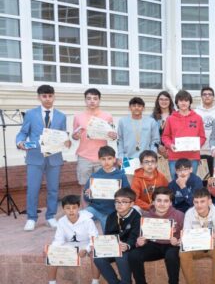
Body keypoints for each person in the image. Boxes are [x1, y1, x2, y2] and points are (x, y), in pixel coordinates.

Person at [16, 84, 70, 231]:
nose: (47, 99)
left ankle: (50, 216)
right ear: (39, 97)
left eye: (50, 96)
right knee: (33, 188)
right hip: (34, 157)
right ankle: (31, 218)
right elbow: (23, 133)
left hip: (54, 158)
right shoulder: (31, 114)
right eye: (44, 96)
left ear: (54, 96)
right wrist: (20, 142)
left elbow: (63, 135)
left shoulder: (61, 116)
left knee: (53, 189)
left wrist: (67, 141)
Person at [128, 186, 184, 284]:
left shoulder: (179, 215)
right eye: (159, 200)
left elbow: (187, 235)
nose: (162, 204)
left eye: (166, 201)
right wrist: (140, 241)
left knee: (172, 255)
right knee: (134, 255)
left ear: (170, 202)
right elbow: (141, 237)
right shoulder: (146, 216)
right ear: (153, 202)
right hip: (154, 245)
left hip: (171, 245)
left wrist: (179, 241)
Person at [42, 195, 99, 284]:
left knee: (95, 252)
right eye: (68, 208)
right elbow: (59, 239)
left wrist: (86, 249)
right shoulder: (62, 221)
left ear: (79, 208)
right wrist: (51, 249)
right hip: (70, 245)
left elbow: (94, 238)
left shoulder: (87, 220)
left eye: (74, 208)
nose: (71, 211)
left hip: (86, 243)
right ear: (63, 209)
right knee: (52, 252)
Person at [180, 188, 215, 284]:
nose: (199, 205)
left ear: (209, 201)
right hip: (196, 246)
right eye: (196, 202)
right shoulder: (189, 213)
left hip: (213, 246)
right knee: (183, 252)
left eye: (202, 201)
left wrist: (212, 240)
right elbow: (187, 233)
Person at [93, 188, 141, 284]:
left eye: (124, 202)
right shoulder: (111, 216)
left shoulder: (136, 217)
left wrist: (127, 245)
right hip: (114, 246)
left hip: (130, 247)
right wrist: (106, 245)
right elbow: (108, 235)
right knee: (98, 258)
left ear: (132, 204)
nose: (119, 205)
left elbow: (135, 236)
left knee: (122, 256)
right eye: (117, 201)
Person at [72, 88, 117, 189]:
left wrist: (113, 136)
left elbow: (113, 136)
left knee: (102, 186)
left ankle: (100, 205)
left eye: (95, 98)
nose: (92, 101)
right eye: (89, 98)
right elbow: (74, 135)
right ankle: (85, 206)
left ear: (99, 100)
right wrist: (75, 136)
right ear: (85, 100)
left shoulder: (107, 116)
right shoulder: (78, 116)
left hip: (102, 156)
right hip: (84, 156)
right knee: (84, 187)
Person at [83, 145, 130, 230]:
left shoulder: (121, 175)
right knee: (81, 218)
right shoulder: (95, 176)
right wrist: (88, 194)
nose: (106, 162)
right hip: (96, 209)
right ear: (99, 160)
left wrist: (121, 195)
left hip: (113, 211)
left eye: (109, 158)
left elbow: (129, 194)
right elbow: (86, 198)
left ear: (114, 159)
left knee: (109, 237)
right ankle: (92, 237)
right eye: (103, 159)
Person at [162, 90, 206, 179]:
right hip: (174, 157)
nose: (183, 103)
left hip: (192, 157)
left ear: (190, 102)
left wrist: (197, 145)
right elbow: (165, 136)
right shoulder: (170, 119)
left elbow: (202, 137)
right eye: (181, 100)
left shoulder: (198, 118)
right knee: (176, 184)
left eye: (186, 100)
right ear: (177, 103)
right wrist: (170, 145)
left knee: (190, 183)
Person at [117, 97, 159, 166]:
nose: (136, 108)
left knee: (146, 177)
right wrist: (120, 156)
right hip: (127, 158)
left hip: (146, 159)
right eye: (134, 106)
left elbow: (155, 140)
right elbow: (120, 140)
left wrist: (152, 156)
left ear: (143, 108)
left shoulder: (151, 122)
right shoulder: (123, 121)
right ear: (129, 108)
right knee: (128, 177)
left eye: (139, 106)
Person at [196, 87, 215, 178]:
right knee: (203, 179)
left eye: (210, 94)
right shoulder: (196, 112)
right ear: (201, 97)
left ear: (213, 97)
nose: (207, 96)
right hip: (200, 150)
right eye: (204, 94)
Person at [152, 91, 175, 179]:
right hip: (158, 152)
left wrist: (169, 148)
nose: (163, 101)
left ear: (170, 101)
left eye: (166, 99)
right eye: (161, 99)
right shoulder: (152, 117)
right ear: (158, 101)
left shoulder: (176, 115)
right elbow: (151, 136)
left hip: (174, 151)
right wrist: (159, 147)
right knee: (161, 178)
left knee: (174, 178)